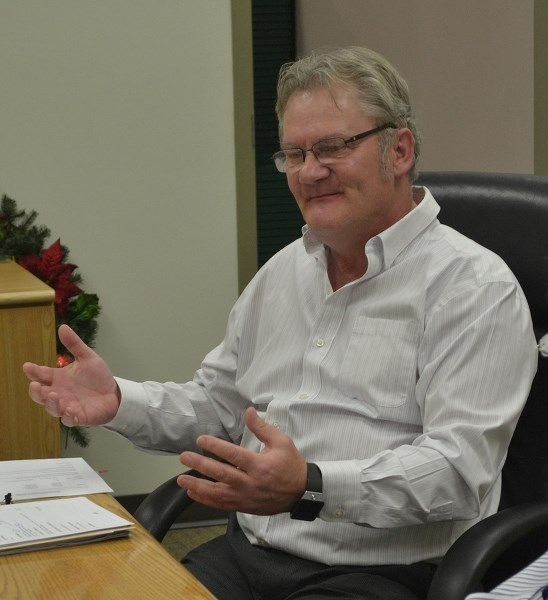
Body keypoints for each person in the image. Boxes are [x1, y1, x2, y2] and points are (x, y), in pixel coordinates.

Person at [23, 46, 538, 600]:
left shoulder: (473, 288)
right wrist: (119, 401)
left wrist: (310, 488)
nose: (311, 172)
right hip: (247, 557)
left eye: (333, 148)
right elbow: (221, 411)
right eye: (294, 154)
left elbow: (457, 472)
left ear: (401, 149)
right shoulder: (282, 274)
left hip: (381, 575)